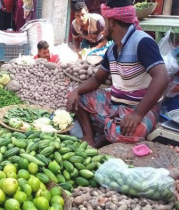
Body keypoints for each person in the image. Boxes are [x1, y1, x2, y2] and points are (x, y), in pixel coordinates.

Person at [66, 0, 169, 148]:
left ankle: (105, 133)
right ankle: (89, 137)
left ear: (112, 22)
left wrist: (137, 114)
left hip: (140, 106)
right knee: (76, 98)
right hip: (115, 101)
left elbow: (163, 77)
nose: (103, 28)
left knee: (129, 133)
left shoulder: (142, 42)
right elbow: (97, 79)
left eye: (106, 21)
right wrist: (76, 91)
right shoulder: (113, 49)